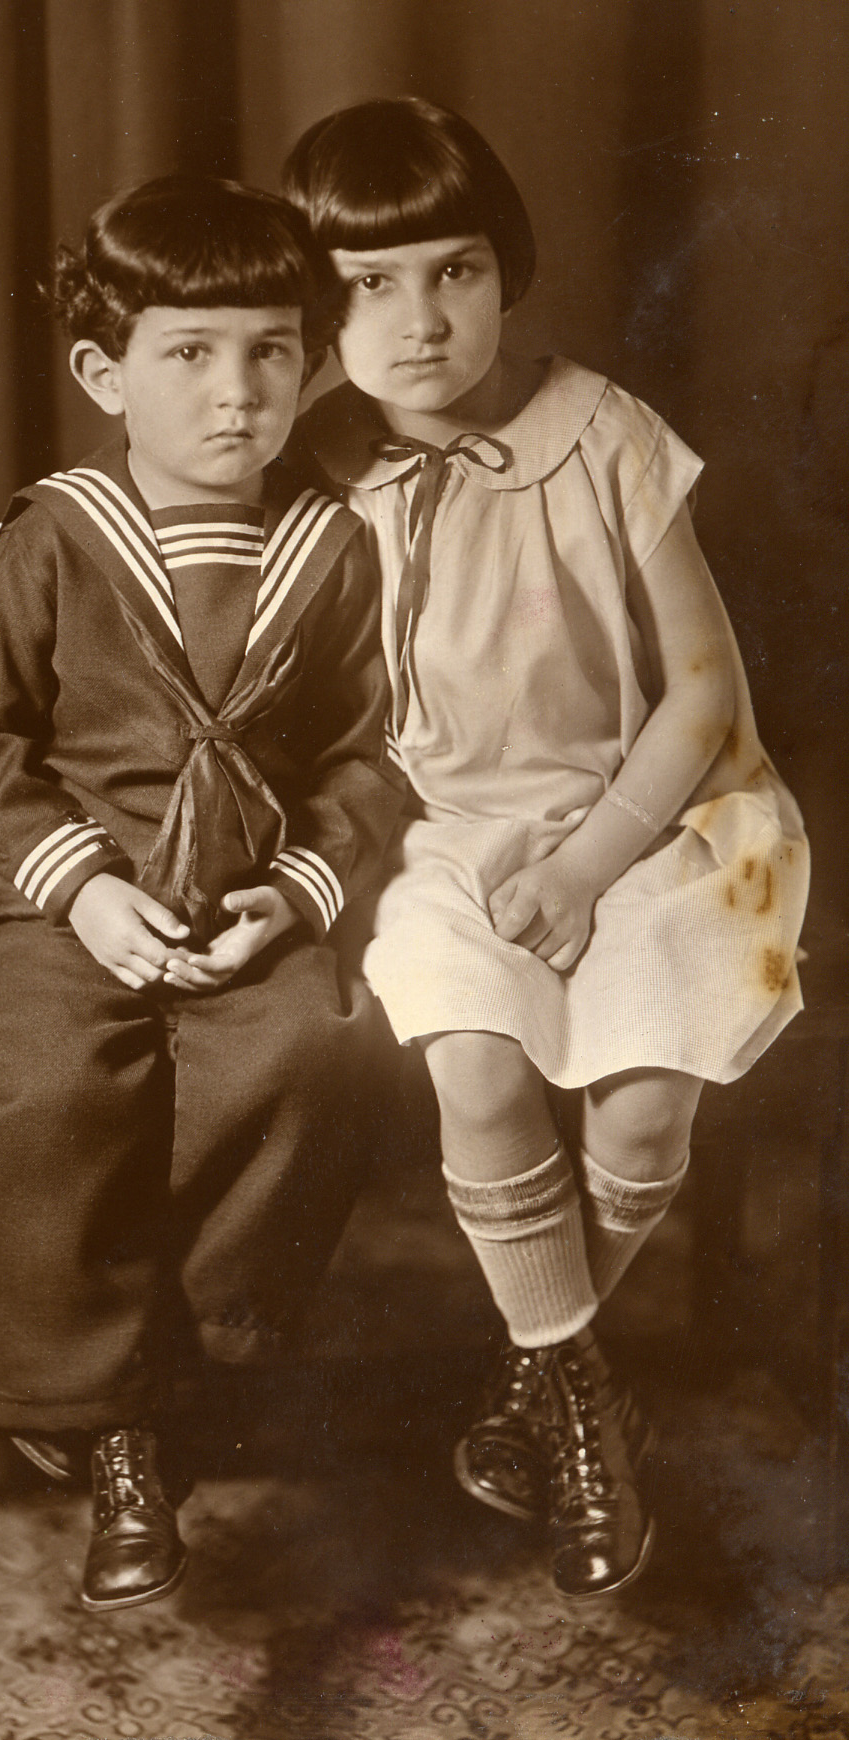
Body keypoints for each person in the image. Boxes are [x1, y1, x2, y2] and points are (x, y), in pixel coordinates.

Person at [283, 98, 809, 1598]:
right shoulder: (319, 460)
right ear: (316, 305)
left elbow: (702, 695)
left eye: (452, 270)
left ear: (505, 269)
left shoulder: (600, 433)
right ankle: (584, 1405)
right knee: (473, 1055)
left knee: (644, 1103)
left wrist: (588, 865)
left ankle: (530, 1380)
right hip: (438, 836)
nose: (417, 320)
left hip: (654, 812)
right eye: (367, 284)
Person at [0, 174, 404, 1614]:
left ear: (311, 363)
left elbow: (364, 750)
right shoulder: (60, 533)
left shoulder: (331, 545)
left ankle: (189, 1366)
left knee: (305, 1050)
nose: (236, 392)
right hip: (76, 898)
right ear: (103, 374)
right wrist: (80, 892)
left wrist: (296, 895)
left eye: (270, 352)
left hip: (246, 900)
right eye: (188, 353)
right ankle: (101, 1414)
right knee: (43, 1081)